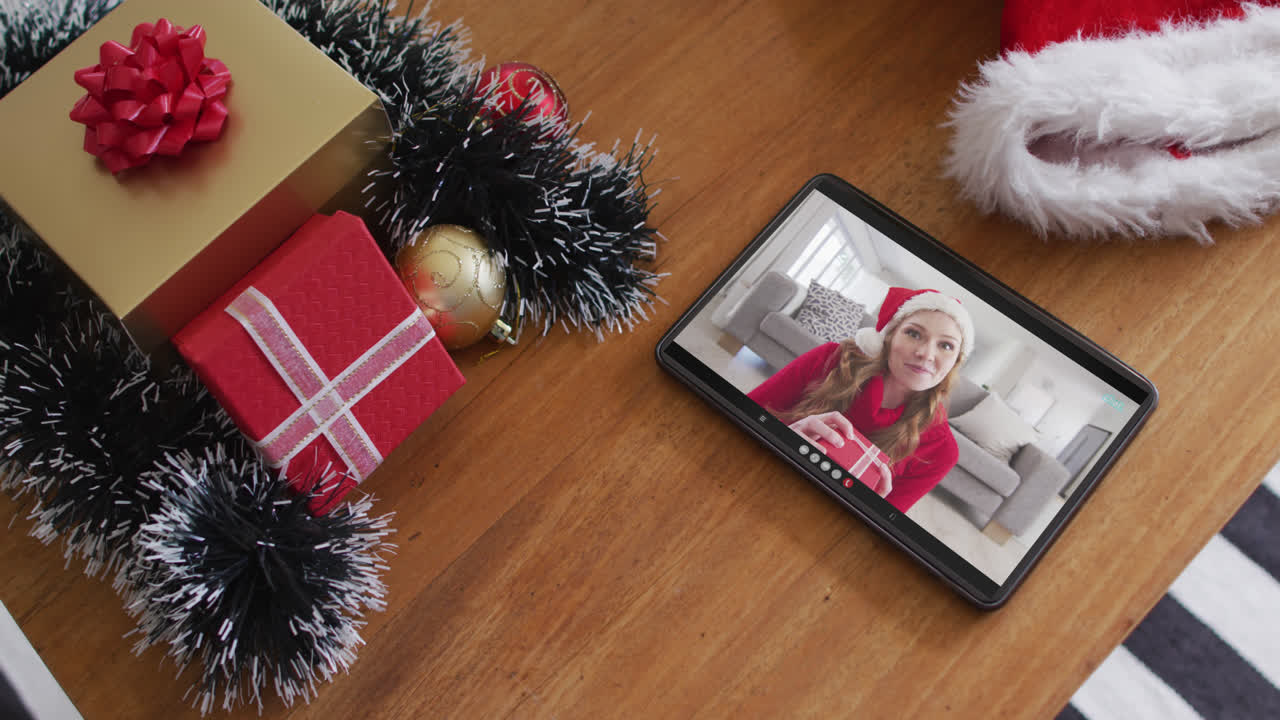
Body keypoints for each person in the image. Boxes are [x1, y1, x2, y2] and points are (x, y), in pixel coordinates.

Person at [748, 287, 975, 513]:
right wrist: (783, 438)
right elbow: (739, 414)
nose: (926, 353)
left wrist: (868, 511)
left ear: (955, 361)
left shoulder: (942, 451)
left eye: (946, 345)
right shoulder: (831, 359)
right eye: (914, 333)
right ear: (888, 337)